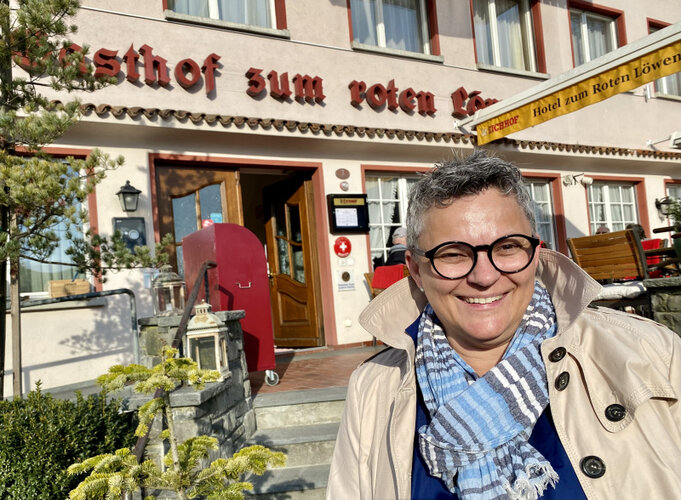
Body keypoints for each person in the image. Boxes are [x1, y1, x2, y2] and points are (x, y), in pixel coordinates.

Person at [327, 150, 680, 500]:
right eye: (453, 253)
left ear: (535, 254)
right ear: (417, 270)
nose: (484, 277)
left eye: (508, 247)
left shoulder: (653, 354)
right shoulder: (373, 389)